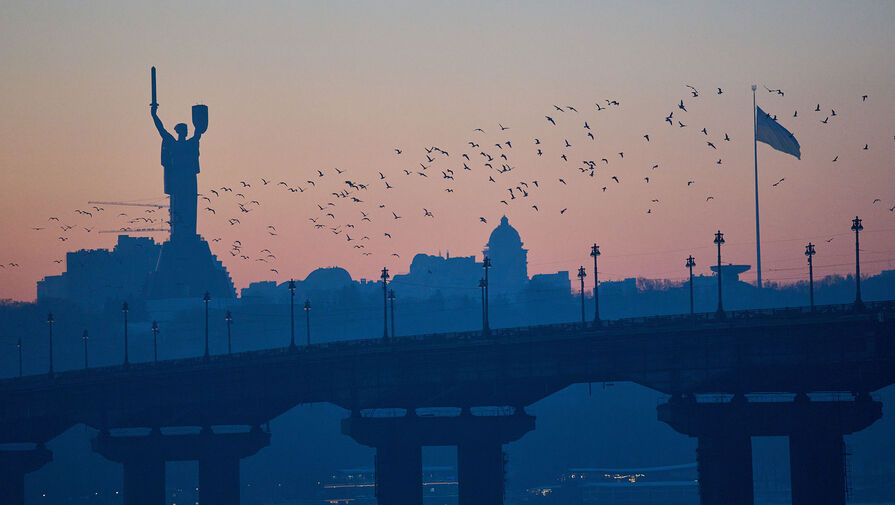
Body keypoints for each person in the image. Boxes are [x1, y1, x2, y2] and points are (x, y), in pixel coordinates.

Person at [151, 104, 202, 240]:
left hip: (189, 179)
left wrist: (199, 123)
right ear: (180, 132)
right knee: (178, 206)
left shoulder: (190, 143)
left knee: (190, 207)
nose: (185, 132)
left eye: (185, 130)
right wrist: (154, 115)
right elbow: (161, 130)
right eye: (183, 130)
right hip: (179, 179)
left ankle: (188, 232)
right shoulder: (173, 143)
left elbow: (198, 135)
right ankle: (179, 232)